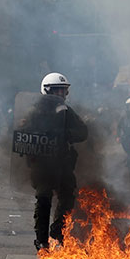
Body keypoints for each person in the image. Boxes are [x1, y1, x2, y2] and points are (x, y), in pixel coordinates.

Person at [26, 73, 88, 250]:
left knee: (68, 197)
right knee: (44, 199)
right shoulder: (35, 112)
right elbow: (23, 134)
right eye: (57, 91)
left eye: (63, 91)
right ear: (47, 91)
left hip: (63, 162)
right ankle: (41, 240)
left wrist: (66, 134)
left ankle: (57, 232)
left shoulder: (67, 111)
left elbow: (83, 132)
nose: (60, 95)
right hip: (43, 164)